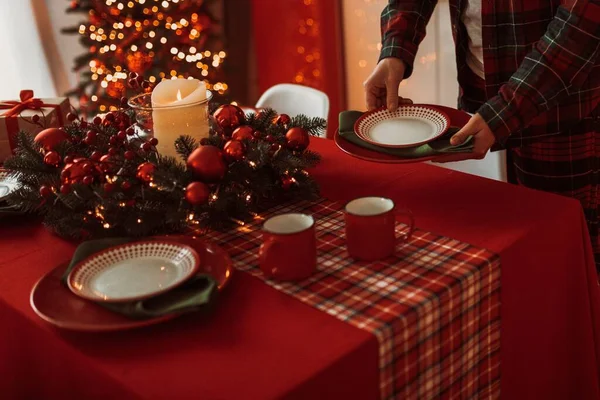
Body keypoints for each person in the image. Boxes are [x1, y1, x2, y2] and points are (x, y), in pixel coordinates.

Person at [365, 0, 600, 272]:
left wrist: (504, 112)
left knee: (562, 262)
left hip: (560, 116)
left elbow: (581, 30)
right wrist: (395, 49)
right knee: (489, 255)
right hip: (479, 102)